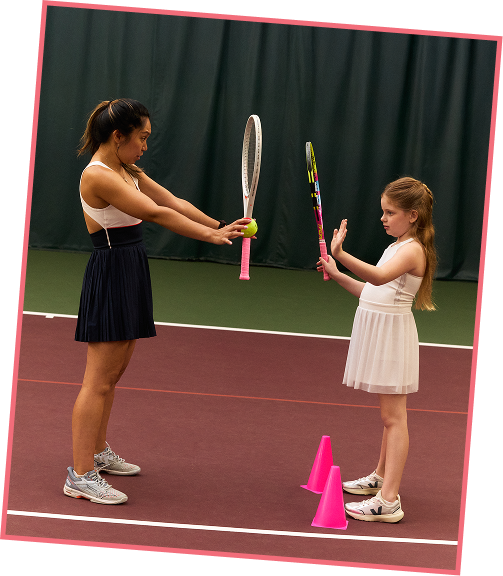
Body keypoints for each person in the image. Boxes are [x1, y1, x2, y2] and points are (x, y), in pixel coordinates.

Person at [64, 99, 251, 504]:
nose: (145, 146)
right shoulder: (98, 176)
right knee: (97, 380)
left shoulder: (126, 169)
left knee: (113, 375)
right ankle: (79, 474)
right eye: (142, 138)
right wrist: (211, 239)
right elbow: (155, 213)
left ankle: (97, 452)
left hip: (130, 268)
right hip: (111, 270)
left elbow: (173, 202)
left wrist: (220, 224)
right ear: (119, 137)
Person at [318, 177, 437, 523]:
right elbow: (370, 291)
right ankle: (380, 479)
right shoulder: (396, 244)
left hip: (392, 336)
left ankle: (389, 501)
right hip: (380, 330)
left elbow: (380, 278)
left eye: (390, 212)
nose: (383, 218)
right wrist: (336, 272)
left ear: (413, 215)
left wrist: (341, 253)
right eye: (382, 211)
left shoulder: (413, 249)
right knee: (388, 418)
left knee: (394, 418)